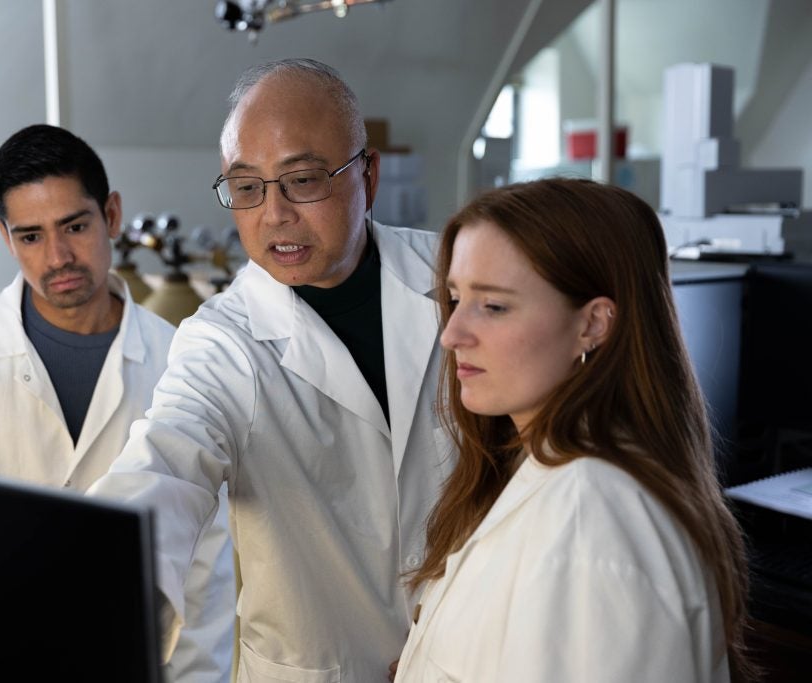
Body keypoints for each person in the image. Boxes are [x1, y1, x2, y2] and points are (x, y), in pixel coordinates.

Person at [90, 59, 452, 681]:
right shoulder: (222, 341)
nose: (273, 214)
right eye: (247, 187)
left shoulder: (456, 278)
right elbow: (167, 459)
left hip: (472, 652)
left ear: (369, 172)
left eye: (303, 180)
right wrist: (104, 592)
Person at [0, 124, 236, 682]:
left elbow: (207, 571)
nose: (58, 257)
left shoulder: (181, 364)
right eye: (31, 236)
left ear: (110, 215)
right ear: (6, 238)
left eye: (75, 226)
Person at [394, 178, 752, 682]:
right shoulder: (538, 474)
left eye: (493, 306)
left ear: (593, 325)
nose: (451, 334)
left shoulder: (595, 516)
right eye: (455, 298)